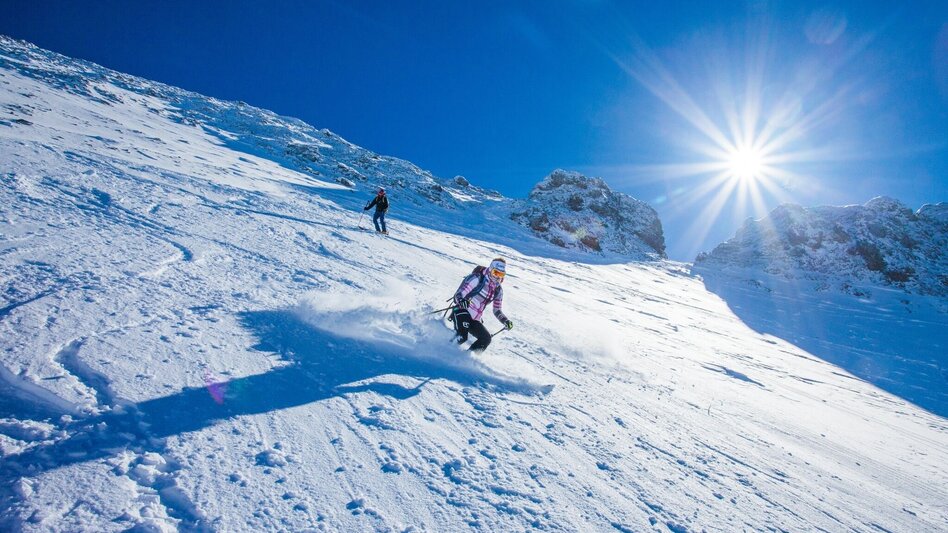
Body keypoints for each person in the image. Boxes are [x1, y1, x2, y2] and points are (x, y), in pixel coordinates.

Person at [451, 258, 514, 352]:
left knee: (486, 339)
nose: (497, 277)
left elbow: (497, 310)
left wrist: (505, 321)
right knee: (462, 336)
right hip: (461, 310)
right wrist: (462, 300)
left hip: (474, 318)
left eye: (501, 274)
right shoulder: (477, 278)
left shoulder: (498, 290)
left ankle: (464, 359)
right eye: (496, 273)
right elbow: (458, 294)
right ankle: (443, 350)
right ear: (490, 269)